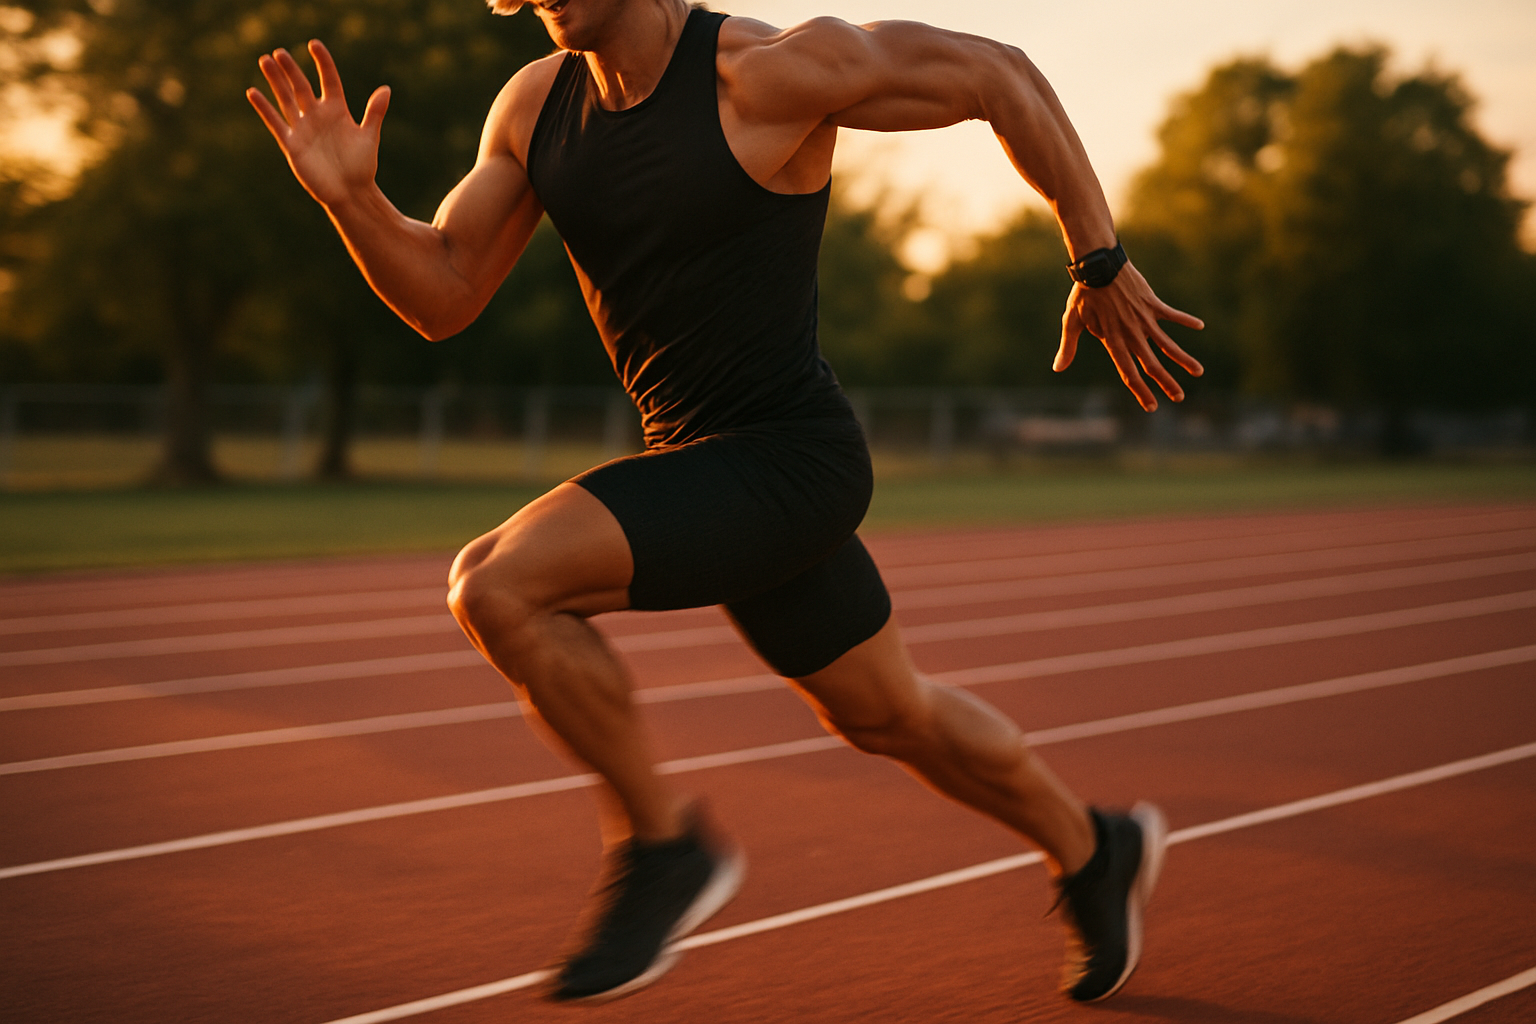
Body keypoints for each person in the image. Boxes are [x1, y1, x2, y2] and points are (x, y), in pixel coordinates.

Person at [247, 0, 1204, 1006]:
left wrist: (1098, 260)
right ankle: (1094, 848)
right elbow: (444, 293)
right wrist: (352, 201)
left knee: (498, 583)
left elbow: (1000, 73)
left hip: (792, 458)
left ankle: (660, 847)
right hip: (707, 464)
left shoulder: (768, 74)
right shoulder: (535, 109)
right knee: (892, 715)